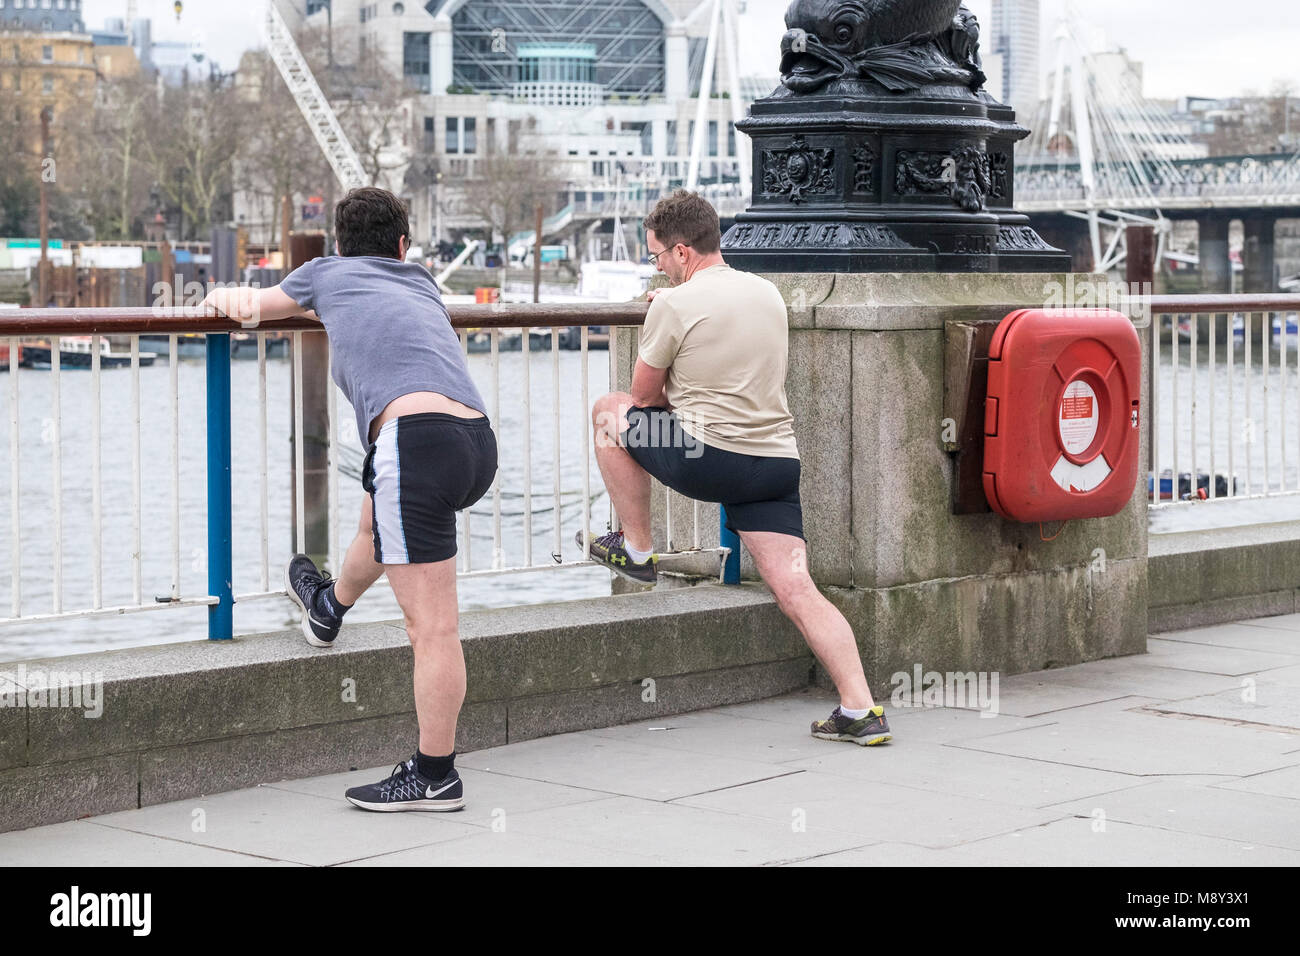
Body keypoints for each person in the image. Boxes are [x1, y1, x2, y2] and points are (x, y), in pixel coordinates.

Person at [203, 187, 497, 810]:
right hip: (474, 440)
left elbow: (250, 307)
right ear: (402, 246)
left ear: (337, 244)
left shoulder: (323, 275)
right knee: (376, 525)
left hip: (412, 442)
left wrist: (215, 298)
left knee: (434, 627)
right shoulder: (420, 281)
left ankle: (436, 775)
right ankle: (328, 608)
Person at [580, 190, 890, 746]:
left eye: (656, 257)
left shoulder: (673, 305)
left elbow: (644, 400)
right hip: (774, 464)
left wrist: (663, 320)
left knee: (608, 411)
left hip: (710, 460)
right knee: (798, 588)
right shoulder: (767, 292)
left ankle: (638, 548)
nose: (658, 268)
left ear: (680, 252)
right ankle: (860, 708)